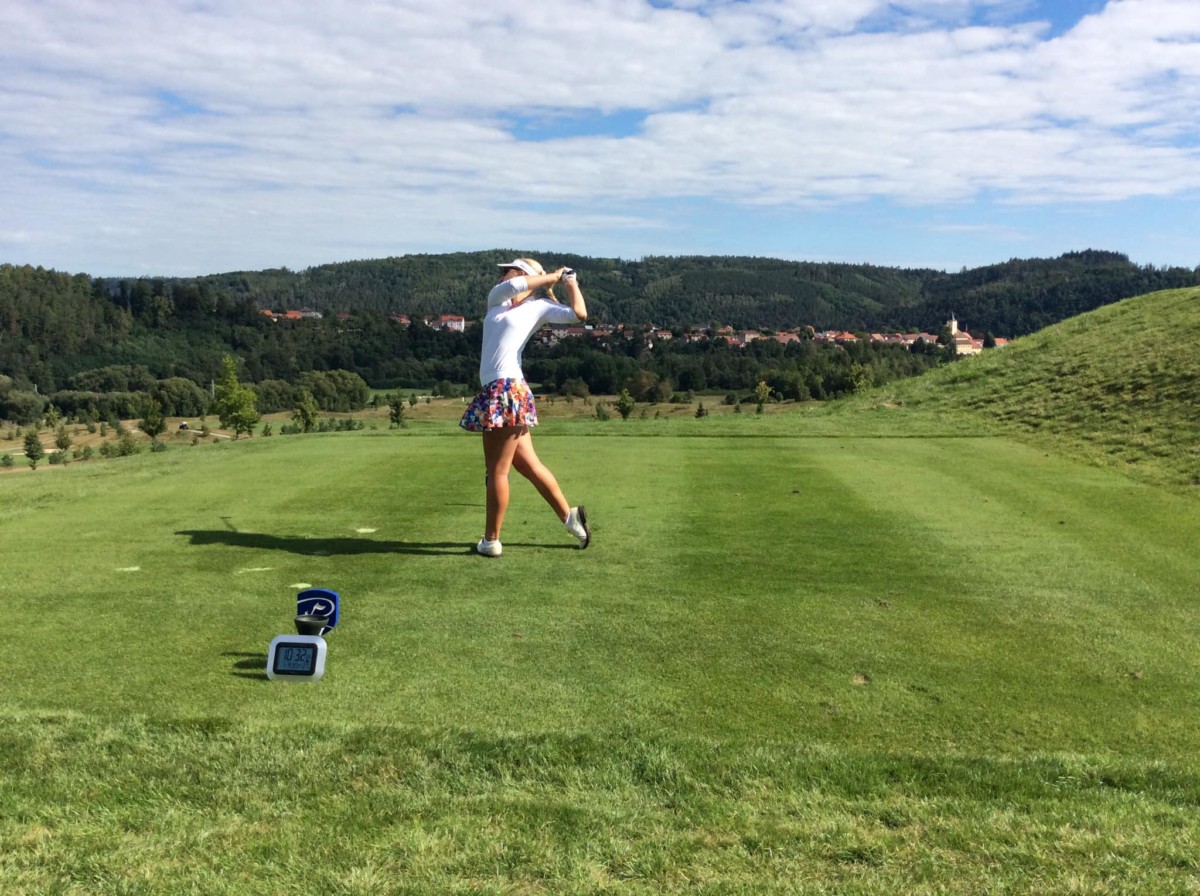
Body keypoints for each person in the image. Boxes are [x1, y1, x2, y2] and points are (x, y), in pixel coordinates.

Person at [459, 258, 591, 557]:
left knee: (497, 471)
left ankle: (491, 541)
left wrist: (569, 281)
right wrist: (550, 277)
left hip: (506, 390)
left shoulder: (539, 307)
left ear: (523, 272)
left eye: (509, 269)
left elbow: (579, 314)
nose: (502, 274)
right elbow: (518, 285)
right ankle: (571, 518)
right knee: (528, 465)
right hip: (504, 390)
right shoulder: (497, 299)